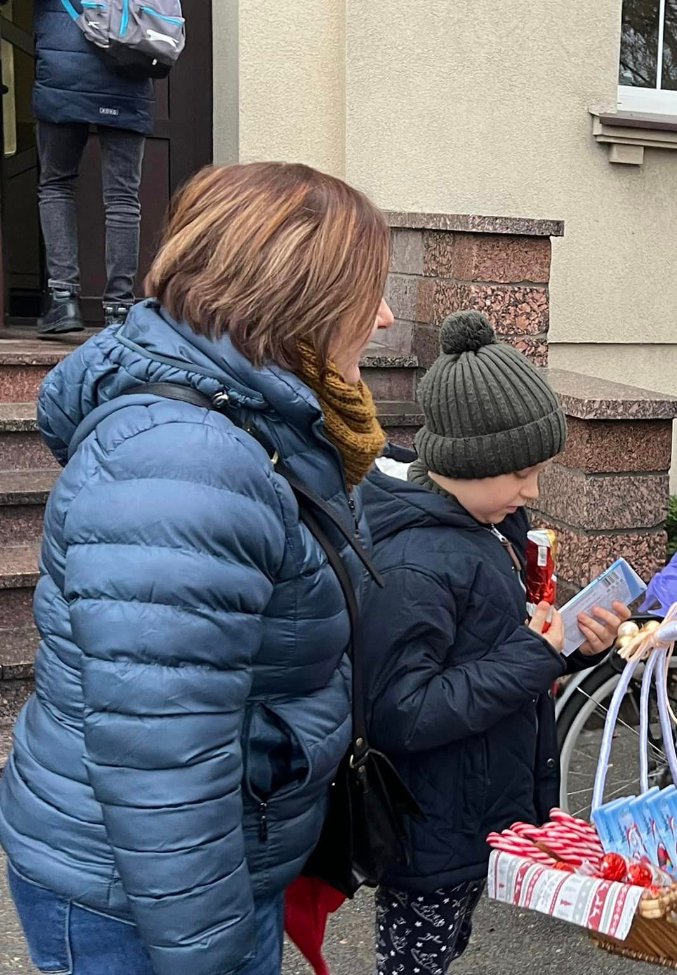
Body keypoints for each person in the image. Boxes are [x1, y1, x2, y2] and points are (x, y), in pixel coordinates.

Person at [0, 162, 394, 975]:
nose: (385, 317)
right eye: (368, 295)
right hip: (136, 896)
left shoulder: (251, 416)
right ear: (300, 301)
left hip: (188, 875)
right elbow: (161, 761)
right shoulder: (190, 462)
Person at [358, 311, 631, 975]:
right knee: (416, 958)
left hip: (470, 810)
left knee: (443, 947)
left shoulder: (487, 522)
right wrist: (534, 655)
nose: (532, 491)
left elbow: (491, 650)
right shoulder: (416, 561)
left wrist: (570, 644)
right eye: (522, 474)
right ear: (470, 461)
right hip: (429, 827)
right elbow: (402, 709)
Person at [32, 0, 155, 335]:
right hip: (127, 70)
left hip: (63, 74)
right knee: (123, 199)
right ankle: (119, 309)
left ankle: (63, 299)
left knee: (56, 184)